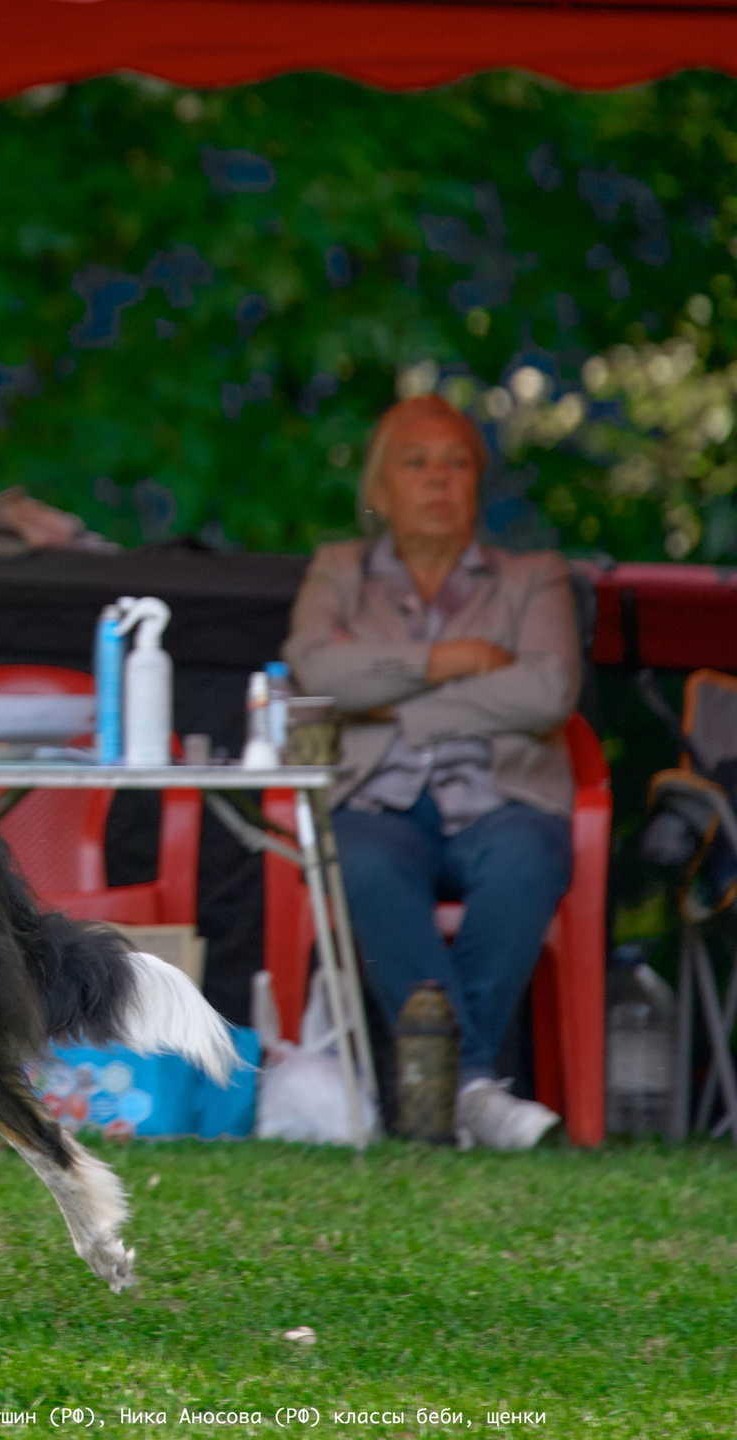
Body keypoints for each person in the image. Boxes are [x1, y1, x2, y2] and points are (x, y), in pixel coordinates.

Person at [283, 393, 577, 1151]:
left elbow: (546, 691)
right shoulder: (340, 570)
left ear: (478, 485)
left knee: (528, 856)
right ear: (379, 492)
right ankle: (476, 1091)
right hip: (377, 799)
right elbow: (317, 674)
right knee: (361, 862)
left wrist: (399, 707)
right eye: (417, 464)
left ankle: (448, 1091)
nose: (439, 480)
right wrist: (449, 662)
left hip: (499, 796)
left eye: (457, 464)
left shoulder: (532, 576)